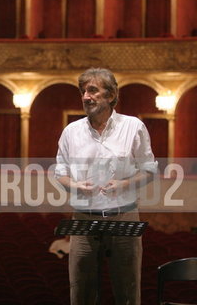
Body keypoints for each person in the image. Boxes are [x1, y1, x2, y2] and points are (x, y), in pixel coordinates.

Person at [55, 68, 157, 305]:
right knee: (80, 292)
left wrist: (125, 184)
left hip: (124, 216)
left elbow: (149, 170)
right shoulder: (71, 131)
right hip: (82, 218)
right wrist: (76, 186)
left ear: (111, 95)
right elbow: (60, 174)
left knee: (128, 291)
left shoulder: (133, 127)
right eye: (83, 91)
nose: (85, 97)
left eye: (92, 90)